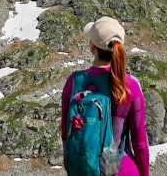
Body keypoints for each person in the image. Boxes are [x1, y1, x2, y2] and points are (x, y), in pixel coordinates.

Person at [61, 16, 150, 176]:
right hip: (122, 169)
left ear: (92, 46)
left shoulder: (74, 82)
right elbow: (140, 144)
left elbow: (65, 135)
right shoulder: (130, 86)